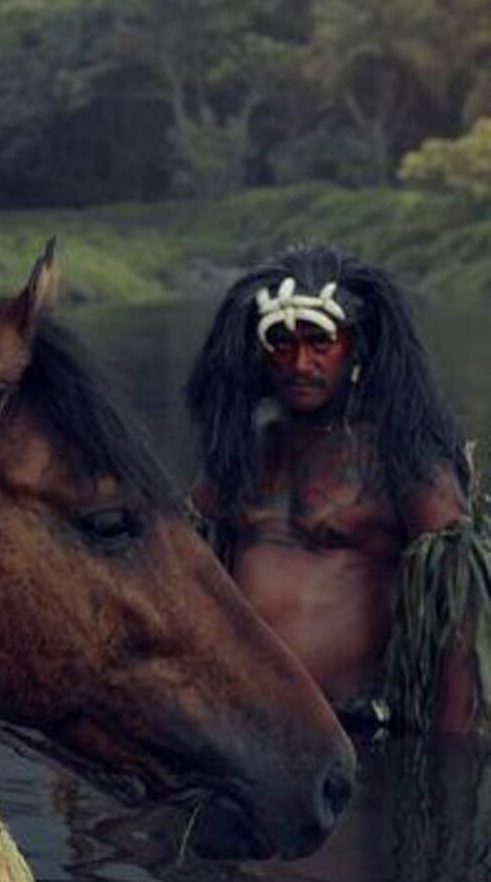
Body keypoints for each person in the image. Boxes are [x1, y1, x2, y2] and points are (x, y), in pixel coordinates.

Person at [185, 243, 488, 734]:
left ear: (357, 349)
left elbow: (459, 614)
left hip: (352, 733)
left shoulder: (403, 455)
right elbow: (176, 569)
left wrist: (451, 758)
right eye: (282, 344)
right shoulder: (242, 451)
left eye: (320, 343)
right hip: (239, 732)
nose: (301, 363)